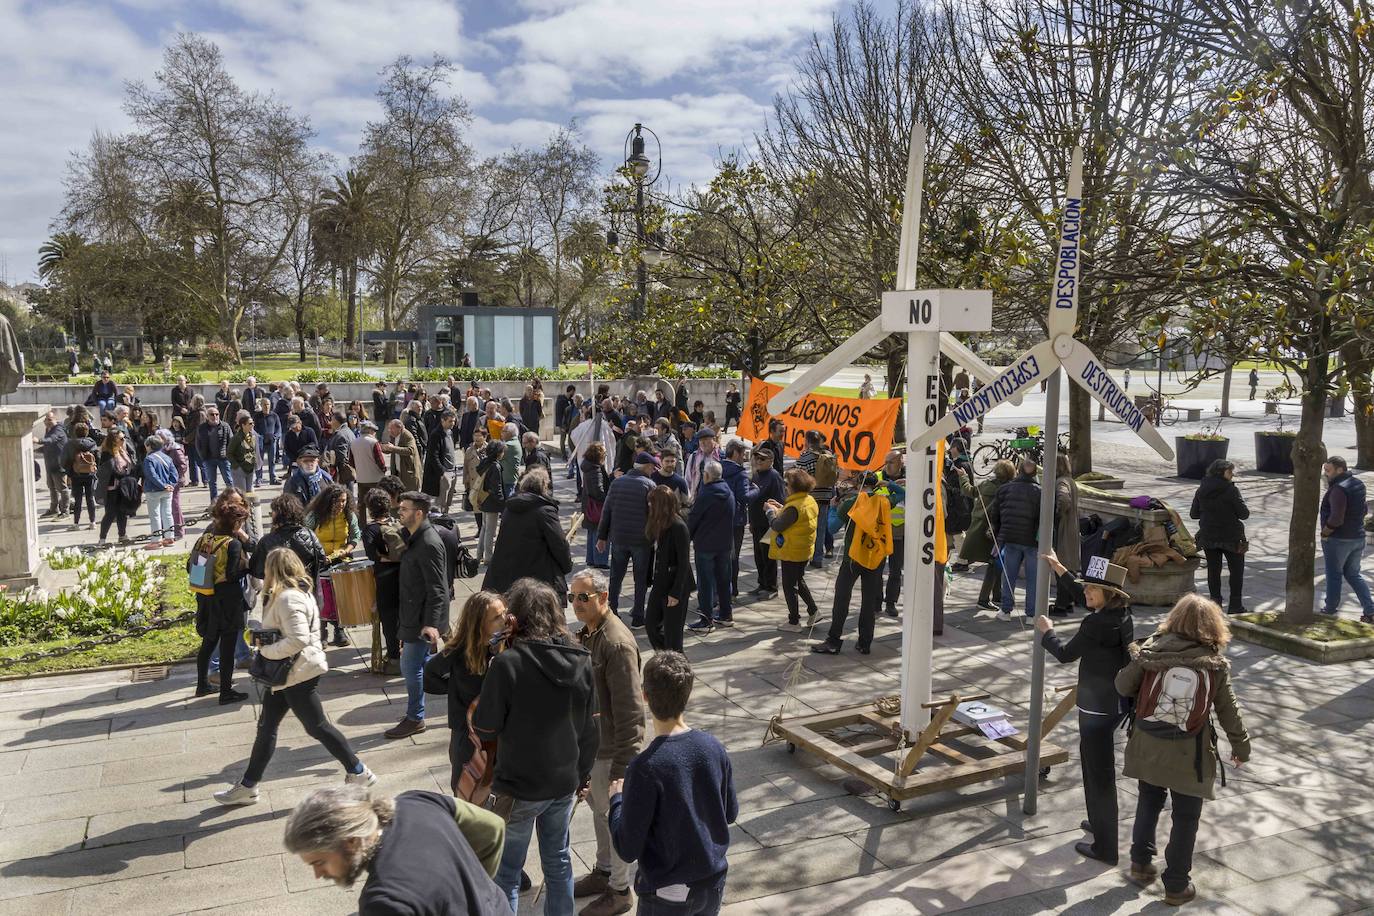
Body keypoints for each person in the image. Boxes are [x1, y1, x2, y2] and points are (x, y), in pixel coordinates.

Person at [474, 578, 599, 915]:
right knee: (558, 863)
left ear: (516, 618)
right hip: (562, 782)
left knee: (508, 874)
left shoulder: (507, 664)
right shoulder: (581, 659)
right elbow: (590, 728)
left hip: (519, 785)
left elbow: (484, 725)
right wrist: (582, 776)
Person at [1115, 595, 1251, 906]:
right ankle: (1176, 885)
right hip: (1189, 752)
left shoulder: (1152, 650)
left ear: (1174, 618)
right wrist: (1241, 746)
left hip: (1148, 743)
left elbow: (1122, 687)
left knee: (1149, 799)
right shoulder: (1213, 663)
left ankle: (1140, 864)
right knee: (1186, 816)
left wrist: (1141, 660)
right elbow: (1228, 710)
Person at [213, 548, 375, 805]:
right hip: (288, 672)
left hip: (297, 672)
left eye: (267, 568)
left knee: (316, 726)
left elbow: (298, 639)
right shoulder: (295, 592)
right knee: (267, 728)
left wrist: (266, 649)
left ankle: (358, 771)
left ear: (273, 569)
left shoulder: (288, 597)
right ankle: (248, 786)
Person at [609, 650, 737, 915]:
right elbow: (730, 812)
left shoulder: (645, 767)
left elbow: (627, 847)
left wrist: (617, 801)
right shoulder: (713, 747)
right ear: (688, 694)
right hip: (712, 882)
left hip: (668, 892)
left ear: (645, 695)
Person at [1035, 551, 1135, 866]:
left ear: (1109, 595)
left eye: (1094, 589)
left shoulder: (1096, 623)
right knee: (1093, 766)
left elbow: (1065, 653)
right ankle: (1099, 823)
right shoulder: (1119, 613)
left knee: (1099, 774)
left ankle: (1106, 848)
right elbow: (1083, 593)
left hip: (1097, 709)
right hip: (1113, 704)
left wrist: (1047, 632)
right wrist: (1059, 567)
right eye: (1089, 588)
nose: (1087, 592)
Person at [283, 786, 509, 913]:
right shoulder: (416, 800)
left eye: (319, 862)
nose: (317, 875)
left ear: (351, 841)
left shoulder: (384, 901)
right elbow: (493, 827)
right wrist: (475, 884)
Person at [571, 568, 646, 916]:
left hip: (610, 752)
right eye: (572, 597)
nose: (576, 604)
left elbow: (632, 713)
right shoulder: (590, 634)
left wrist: (623, 769)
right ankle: (603, 873)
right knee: (600, 817)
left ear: (603, 598)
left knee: (613, 820)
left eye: (583, 597)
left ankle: (619, 890)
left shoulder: (616, 643)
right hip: (592, 747)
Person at [424, 590, 506, 793]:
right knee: (465, 787)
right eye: (497, 617)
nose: (504, 620)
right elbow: (429, 676)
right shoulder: (459, 650)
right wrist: (453, 688)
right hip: (467, 732)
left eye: (505, 612)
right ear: (480, 624)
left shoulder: (505, 644)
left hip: (498, 732)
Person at [386, 491, 449, 740]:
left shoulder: (429, 543)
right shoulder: (415, 537)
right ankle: (418, 712)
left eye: (404, 509)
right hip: (413, 613)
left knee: (409, 667)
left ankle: (415, 718)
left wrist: (432, 624)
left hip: (422, 619)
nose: (399, 512)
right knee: (419, 666)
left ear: (419, 513)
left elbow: (438, 588)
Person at [811, 472, 896, 655]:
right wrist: (888, 484)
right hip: (875, 558)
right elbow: (902, 494)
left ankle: (834, 640)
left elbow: (832, 528)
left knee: (842, 598)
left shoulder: (851, 503)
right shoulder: (885, 502)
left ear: (858, 484)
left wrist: (833, 508)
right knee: (869, 602)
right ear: (875, 484)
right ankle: (865, 643)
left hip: (853, 558)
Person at [190, 489, 256, 704]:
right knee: (227, 648)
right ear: (235, 525)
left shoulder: (205, 538)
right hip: (228, 602)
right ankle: (226, 691)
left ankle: (202, 685)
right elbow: (232, 574)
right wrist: (248, 567)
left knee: (208, 643)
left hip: (206, 598)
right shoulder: (232, 544)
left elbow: (189, 566)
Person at [484, 467, 574, 600]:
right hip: (537, 579)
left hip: (507, 577)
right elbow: (559, 544)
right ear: (544, 486)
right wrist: (566, 566)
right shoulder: (545, 511)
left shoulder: (510, 508)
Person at [597, 453, 658, 628]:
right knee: (640, 579)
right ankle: (638, 616)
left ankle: (612, 610)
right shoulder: (649, 485)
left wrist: (602, 537)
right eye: (652, 467)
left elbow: (606, 511)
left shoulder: (617, 483)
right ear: (646, 467)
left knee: (616, 577)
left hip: (619, 538)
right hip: (641, 541)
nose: (653, 470)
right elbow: (653, 515)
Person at [1190, 459, 1250, 615]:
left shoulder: (1201, 490)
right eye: (1230, 472)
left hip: (1209, 536)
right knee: (1236, 571)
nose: (1232, 475)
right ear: (1221, 472)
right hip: (1231, 536)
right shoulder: (1230, 490)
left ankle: (1215, 606)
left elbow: (1193, 514)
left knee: (1213, 571)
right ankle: (1235, 605)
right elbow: (1244, 514)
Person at [1318, 455, 1374, 621]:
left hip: (1338, 540)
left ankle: (1329, 609)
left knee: (1334, 574)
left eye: (1328, 470)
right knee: (1353, 574)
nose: (1326, 474)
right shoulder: (1358, 484)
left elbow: (1336, 518)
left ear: (1339, 469)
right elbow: (1363, 510)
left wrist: (1325, 533)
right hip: (1358, 537)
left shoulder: (1338, 489)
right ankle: (1370, 610)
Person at [306, 483, 361, 647]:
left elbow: (355, 537)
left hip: (341, 559)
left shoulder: (349, 516)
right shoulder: (315, 516)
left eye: (343, 501)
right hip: (318, 560)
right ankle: (321, 633)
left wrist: (345, 551)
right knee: (320, 597)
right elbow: (304, 534)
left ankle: (339, 631)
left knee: (340, 597)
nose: (340, 505)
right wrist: (319, 555)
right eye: (337, 501)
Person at [686, 461, 736, 632]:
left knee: (706, 583)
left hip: (706, 545)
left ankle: (706, 620)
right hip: (725, 544)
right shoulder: (729, 492)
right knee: (723, 580)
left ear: (706, 475)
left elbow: (693, 519)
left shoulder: (705, 494)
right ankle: (726, 614)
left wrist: (687, 538)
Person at [769, 468, 820, 632]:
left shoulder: (793, 507)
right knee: (798, 580)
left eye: (786, 484)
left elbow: (778, 525)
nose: (785, 487)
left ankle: (793, 622)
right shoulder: (808, 500)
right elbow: (795, 516)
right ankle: (813, 611)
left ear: (794, 486)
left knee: (789, 586)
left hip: (792, 551)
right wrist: (781, 508)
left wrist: (770, 512)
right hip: (803, 549)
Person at [991, 458, 1041, 621]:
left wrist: (1000, 536)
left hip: (1010, 537)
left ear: (1018, 470)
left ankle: (1005, 610)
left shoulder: (1005, 489)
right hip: (1032, 540)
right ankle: (1031, 614)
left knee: (1008, 575)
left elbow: (995, 515)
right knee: (1033, 578)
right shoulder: (1039, 491)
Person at [960, 459, 1014, 610]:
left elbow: (969, 491)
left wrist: (963, 477)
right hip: (995, 530)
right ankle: (984, 599)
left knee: (996, 562)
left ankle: (997, 595)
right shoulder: (1008, 489)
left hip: (979, 528)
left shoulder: (986, 484)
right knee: (994, 563)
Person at [361, 490, 406, 673]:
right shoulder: (399, 524)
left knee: (389, 620)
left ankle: (394, 659)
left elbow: (373, 556)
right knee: (405, 617)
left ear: (370, 509)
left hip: (384, 580)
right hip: (404, 577)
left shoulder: (370, 530)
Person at [748, 448, 785, 598]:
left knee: (768, 556)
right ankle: (762, 583)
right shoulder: (755, 475)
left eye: (762, 459)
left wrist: (774, 521)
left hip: (768, 523)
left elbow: (780, 501)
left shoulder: (774, 477)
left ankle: (771, 587)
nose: (758, 461)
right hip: (756, 521)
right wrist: (751, 521)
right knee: (758, 555)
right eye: (756, 458)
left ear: (770, 461)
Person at [875, 449, 908, 616]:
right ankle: (876, 601)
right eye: (885, 462)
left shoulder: (910, 479)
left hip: (899, 530)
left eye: (891, 462)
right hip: (879, 530)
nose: (887, 466)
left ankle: (891, 602)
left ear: (901, 462)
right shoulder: (878, 478)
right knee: (876, 568)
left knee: (895, 570)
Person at [1051, 452, 1081, 617]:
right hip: (1071, 529)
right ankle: (1068, 602)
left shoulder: (1061, 482)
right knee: (1068, 567)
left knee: (1061, 567)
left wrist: (1057, 514)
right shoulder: (1070, 481)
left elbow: (1063, 500)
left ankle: (1062, 605)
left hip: (1063, 529)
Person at [95, 429, 137, 545]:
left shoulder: (122, 451)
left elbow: (130, 465)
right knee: (110, 513)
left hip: (122, 488)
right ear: (114, 441)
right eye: (121, 438)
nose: (124, 440)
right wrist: (125, 474)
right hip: (112, 489)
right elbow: (111, 471)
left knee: (122, 513)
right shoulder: (106, 454)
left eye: (124, 438)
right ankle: (102, 539)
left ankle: (122, 535)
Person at [475, 439, 509, 566]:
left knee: (484, 528)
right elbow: (497, 487)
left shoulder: (485, 462)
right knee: (490, 530)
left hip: (483, 499)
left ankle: (479, 555)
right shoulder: (495, 466)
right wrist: (503, 503)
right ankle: (488, 557)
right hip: (492, 502)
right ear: (498, 453)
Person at [141, 434, 178, 548]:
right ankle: (169, 537)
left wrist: (162, 486)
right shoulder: (167, 458)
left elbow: (151, 475)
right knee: (167, 513)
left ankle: (156, 540)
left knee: (155, 515)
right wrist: (170, 485)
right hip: (167, 490)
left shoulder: (149, 459)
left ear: (149, 446)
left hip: (153, 490)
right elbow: (174, 474)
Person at [582, 441, 612, 568]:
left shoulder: (588, 466)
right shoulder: (595, 470)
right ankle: (600, 560)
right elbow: (598, 491)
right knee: (600, 531)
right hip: (597, 506)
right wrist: (607, 501)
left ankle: (591, 558)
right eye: (604, 454)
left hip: (589, 505)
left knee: (592, 531)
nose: (605, 456)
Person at [65, 421, 99, 531]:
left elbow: (66, 459)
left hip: (76, 474)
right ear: (87, 432)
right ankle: (93, 522)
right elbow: (97, 457)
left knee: (78, 499)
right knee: (90, 498)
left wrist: (69, 473)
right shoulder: (92, 443)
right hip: (90, 474)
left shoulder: (71, 444)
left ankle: (76, 524)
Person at [35, 410, 69, 519]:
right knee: (52, 488)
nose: (47, 422)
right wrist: (36, 450)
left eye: (50, 419)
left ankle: (65, 511)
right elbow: (49, 446)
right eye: (45, 420)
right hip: (50, 465)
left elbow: (51, 440)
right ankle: (53, 509)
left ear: (55, 419)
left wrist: (39, 441)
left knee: (62, 488)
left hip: (59, 465)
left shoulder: (58, 429)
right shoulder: (48, 429)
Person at [197, 406, 234, 499]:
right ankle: (214, 503)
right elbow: (198, 444)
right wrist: (203, 457)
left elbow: (231, 442)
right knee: (212, 483)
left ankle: (233, 500)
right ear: (207, 416)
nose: (215, 416)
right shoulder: (202, 428)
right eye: (212, 414)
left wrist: (229, 455)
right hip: (209, 459)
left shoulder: (225, 426)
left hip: (223, 459)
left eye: (216, 414)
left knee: (229, 481)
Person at [350, 420, 387, 508]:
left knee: (362, 503)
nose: (374, 433)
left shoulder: (353, 442)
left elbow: (351, 461)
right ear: (370, 430)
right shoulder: (373, 442)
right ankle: (377, 519)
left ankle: (362, 521)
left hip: (361, 478)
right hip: (376, 478)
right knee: (378, 501)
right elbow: (380, 461)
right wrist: (384, 470)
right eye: (374, 431)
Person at [379, 418, 421, 492]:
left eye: (392, 429)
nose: (389, 431)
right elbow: (392, 449)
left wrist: (392, 448)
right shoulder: (393, 436)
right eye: (389, 428)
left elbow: (410, 450)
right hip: (397, 472)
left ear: (400, 428)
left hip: (408, 472)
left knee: (409, 495)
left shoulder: (407, 436)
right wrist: (383, 448)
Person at [228, 411, 258, 494]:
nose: (252, 425)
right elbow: (229, 453)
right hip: (239, 469)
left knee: (250, 493)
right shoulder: (236, 438)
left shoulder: (252, 437)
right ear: (243, 425)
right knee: (242, 494)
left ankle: (250, 507)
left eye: (253, 423)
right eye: (250, 424)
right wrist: (236, 466)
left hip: (250, 468)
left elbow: (253, 451)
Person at [254, 397, 282, 486]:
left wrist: (276, 436)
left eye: (268, 404)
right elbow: (254, 429)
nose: (266, 406)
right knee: (259, 461)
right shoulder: (257, 416)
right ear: (261, 405)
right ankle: (259, 479)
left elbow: (278, 428)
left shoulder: (274, 416)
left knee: (272, 461)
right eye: (264, 404)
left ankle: (272, 478)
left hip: (272, 442)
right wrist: (258, 436)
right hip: (260, 442)